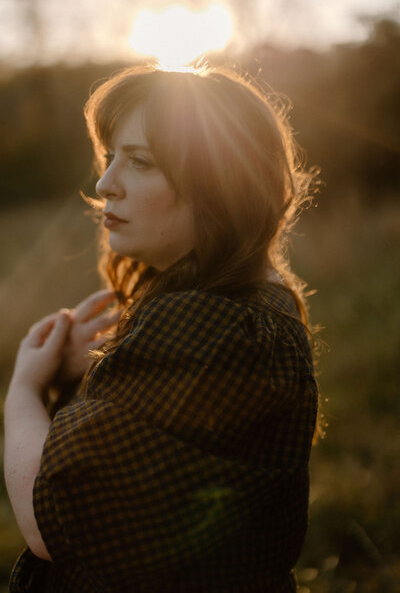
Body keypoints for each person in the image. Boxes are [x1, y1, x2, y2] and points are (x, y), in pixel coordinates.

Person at [4, 64, 319, 592]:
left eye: (141, 162)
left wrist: (24, 390)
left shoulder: (211, 322)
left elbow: (53, 524)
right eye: (110, 158)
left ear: (221, 183)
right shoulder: (254, 306)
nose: (105, 184)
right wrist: (95, 376)